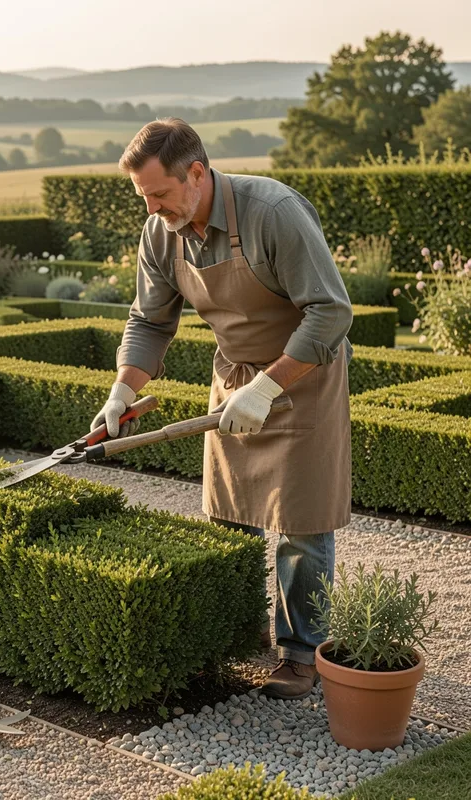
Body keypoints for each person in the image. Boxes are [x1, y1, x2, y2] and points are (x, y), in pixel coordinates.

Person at [91, 118, 353, 699]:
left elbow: (331, 313)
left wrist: (266, 389)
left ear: (197, 173)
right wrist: (122, 391)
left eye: (160, 193)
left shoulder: (272, 213)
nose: (153, 208)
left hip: (302, 376)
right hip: (233, 376)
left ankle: (301, 653)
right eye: (144, 198)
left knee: (301, 523)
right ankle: (234, 634)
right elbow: (149, 320)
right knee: (227, 512)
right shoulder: (161, 232)